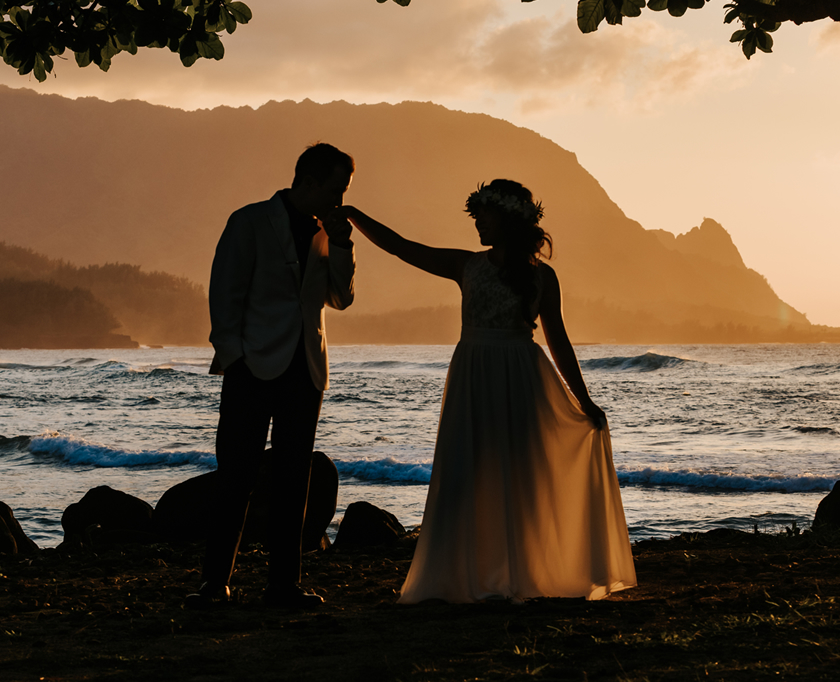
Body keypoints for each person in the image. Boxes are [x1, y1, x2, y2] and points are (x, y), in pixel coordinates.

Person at [342, 179, 636, 603]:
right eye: (476, 214)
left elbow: (558, 341)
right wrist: (354, 215)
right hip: (474, 375)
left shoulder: (541, 277)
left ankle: (521, 574)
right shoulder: (468, 266)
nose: (478, 222)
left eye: (485, 214)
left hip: (523, 378)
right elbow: (400, 247)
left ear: (509, 219)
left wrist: (584, 401)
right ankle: (466, 575)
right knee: (466, 474)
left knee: (521, 477)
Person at [186, 143, 356, 609]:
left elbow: (340, 299)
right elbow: (225, 292)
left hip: (306, 367)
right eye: (337, 189)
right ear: (311, 181)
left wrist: (342, 245)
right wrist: (234, 355)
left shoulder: (329, 232)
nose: (340, 199)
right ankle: (215, 582)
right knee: (235, 475)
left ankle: (284, 585)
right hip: (251, 366)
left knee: (293, 478)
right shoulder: (250, 221)